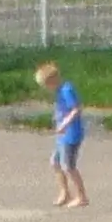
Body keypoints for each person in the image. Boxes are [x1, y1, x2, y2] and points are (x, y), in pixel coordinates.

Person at [36, 62, 87, 208]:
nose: (46, 89)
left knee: (69, 166)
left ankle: (82, 196)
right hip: (62, 135)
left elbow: (76, 109)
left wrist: (64, 123)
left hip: (71, 134)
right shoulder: (59, 92)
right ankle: (65, 192)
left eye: (46, 85)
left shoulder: (67, 89)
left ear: (53, 81)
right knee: (55, 162)